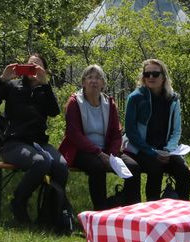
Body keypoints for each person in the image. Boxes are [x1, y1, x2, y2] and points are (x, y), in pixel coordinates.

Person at [0, 53, 67, 224]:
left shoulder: (44, 90)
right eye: (29, 65)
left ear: (44, 70)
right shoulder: (13, 86)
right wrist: (2, 79)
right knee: (41, 162)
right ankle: (19, 201)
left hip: (39, 142)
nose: (32, 69)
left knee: (61, 165)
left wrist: (45, 84)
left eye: (36, 66)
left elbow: (54, 111)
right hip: (14, 143)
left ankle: (50, 212)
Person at [60, 64, 140, 209]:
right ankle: (101, 212)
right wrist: (98, 154)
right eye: (89, 77)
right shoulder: (74, 102)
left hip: (106, 151)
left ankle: (131, 211)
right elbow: (74, 134)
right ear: (83, 82)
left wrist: (111, 154)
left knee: (133, 167)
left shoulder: (109, 103)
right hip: (81, 151)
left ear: (103, 83)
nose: (94, 81)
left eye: (98, 78)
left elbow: (116, 133)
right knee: (98, 167)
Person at [124, 58, 190, 201]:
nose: (151, 77)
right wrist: (151, 152)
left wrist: (168, 149)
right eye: (147, 74)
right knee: (155, 167)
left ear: (164, 76)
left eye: (155, 74)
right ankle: (152, 210)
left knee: (183, 169)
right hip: (140, 149)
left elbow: (176, 130)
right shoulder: (135, 98)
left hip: (166, 150)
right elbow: (131, 132)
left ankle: (183, 210)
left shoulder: (173, 99)